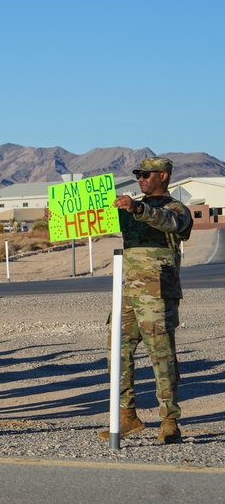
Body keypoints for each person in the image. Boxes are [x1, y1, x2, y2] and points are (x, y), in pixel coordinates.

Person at [101, 157, 192, 444]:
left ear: (163, 176)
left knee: (161, 356)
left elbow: (174, 224)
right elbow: (96, 220)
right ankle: (127, 417)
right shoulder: (129, 208)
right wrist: (57, 219)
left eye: (146, 174)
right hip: (127, 292)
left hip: (156, 293)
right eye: (138, 174)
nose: (141, 178)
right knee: (117, 352)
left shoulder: (174, 208)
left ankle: (169, 421)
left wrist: (139, 208)